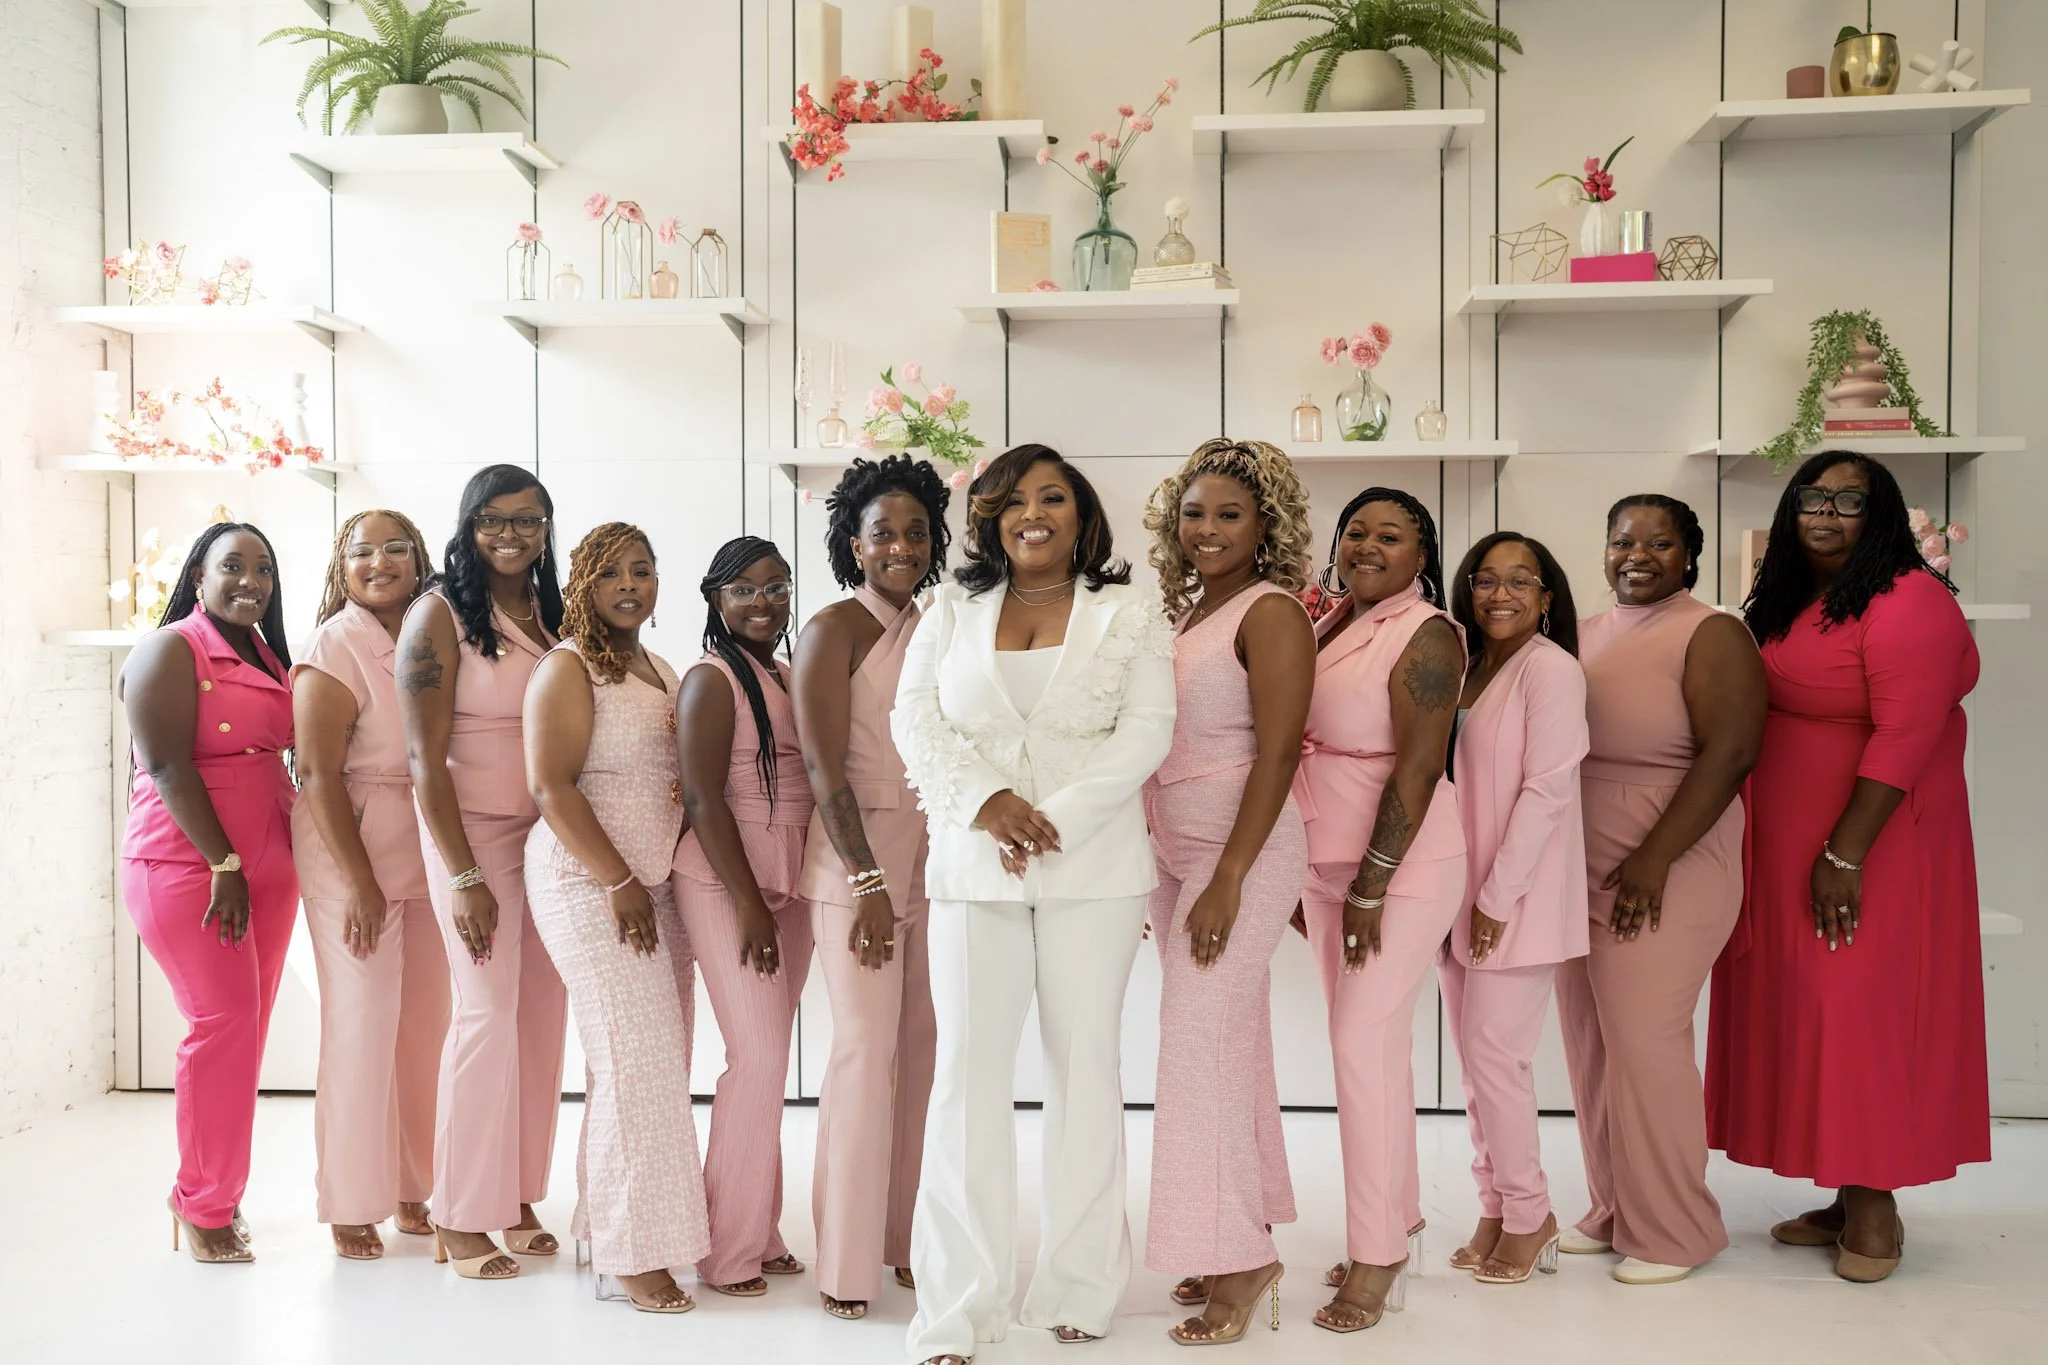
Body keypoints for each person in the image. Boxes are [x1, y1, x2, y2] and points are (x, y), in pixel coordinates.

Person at [894, 444, 1175, 1364]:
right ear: (990, 519)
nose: (1033, 514)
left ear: (1081, 513)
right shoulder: (948, 607)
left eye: (1053, 497)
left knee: (1084, 1072)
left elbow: (1148, 729)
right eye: (1014, 501)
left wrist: (1048, 820)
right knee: (964, 1080)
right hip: (973, 868)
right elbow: (914, 720)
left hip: (1093, 869)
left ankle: (1079, 1286)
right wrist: (988, 804)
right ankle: (956, 1306)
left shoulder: (1131, 610)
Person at [1709, 453, 1987, 1283]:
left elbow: (1906, 734)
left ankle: (1875, 1204)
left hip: (1872, 843)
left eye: (1849, 500)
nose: (1826, 511)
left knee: (1861, 1010)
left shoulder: (1910, 600)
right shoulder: (1796, 594)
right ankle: (1842, 1184)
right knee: (1812, 1009)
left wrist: (1844, 852)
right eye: (1813, 496)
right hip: (1793, 841)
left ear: (1882, 514)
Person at [1557, 494, 1764, 1285]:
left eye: (1659, 542)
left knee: (1645, 1041)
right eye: (1622, 541)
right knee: (1591, 1041)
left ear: (1691, 555)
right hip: (1577, 859)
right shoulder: (1583, 631)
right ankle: (1616, 1205)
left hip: (1668, 858)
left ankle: (1676, 1229)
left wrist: (1653, 857)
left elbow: (1732, 751)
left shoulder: (1712, 632)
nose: (1637, 555)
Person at [1139, 439, 1315, 1346]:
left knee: (1196, 1045)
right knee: (1226, 1044)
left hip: (1236, 857)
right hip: (1176, 853)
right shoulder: (1188, 609)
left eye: (1229, 515)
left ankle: (1241, 1259)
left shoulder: (1271, 610)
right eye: (1194, 513)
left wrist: (1231, 878)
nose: (1206, 529)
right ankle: (1231, 1230)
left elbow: (1280, 753)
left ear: (1265, 525)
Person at [1295, 487, 1465, 1332]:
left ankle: (1377, 1251)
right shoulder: (1330, 622)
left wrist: (1371, 882)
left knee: (1359, 1046)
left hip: (1400, 867)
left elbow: (1420, 766)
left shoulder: (1426, 632)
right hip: (1324, 863)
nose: (1367, 545)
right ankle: (1400, 1218)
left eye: (1390, 535)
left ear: (1421, 555)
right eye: (1355, 531)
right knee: (1376, 1051)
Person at [525, 523, 705, 1314]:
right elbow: (550, 785)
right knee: (637, 1062)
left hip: (652, 885)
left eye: (642, 570)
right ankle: (635, 1254)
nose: (629, 584)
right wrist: (618, 878)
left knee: (642, 1061)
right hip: (588, 881)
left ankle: (602, 1225)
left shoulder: (660, 669)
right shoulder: (567, 668)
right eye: (609, 574)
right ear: (581, 586)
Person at [397, 464, 567, 1281]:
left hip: (553, 837)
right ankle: (459, 1212)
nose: (510, 534)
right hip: (472, 837)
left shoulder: (552, 609)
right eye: (493, 520)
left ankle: (517, 1193)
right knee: (486, 1010)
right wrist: (463, 875)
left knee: (541, 1015)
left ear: (546, 528)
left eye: (527, 520)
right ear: (468, 527)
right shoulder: (437, 615)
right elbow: (422, 759)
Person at [791, 456, 950, 1320]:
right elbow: (822, 766)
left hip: (933, 853)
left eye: (916, 532)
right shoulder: (833, 628)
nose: (901, 546)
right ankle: (844, 1265)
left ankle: (905, 1240)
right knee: (862, 1051)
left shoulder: (939, 622)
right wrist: (867, 879)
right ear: (854, 543)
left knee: (920, 1051)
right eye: (883, 532)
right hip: (857, 862)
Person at [121, 522, 297, 1264]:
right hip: (192, 865)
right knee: (220, 1026)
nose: (250, 581)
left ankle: (216, 1187)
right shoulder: (170, 649)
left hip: (267, 862)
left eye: (263, 568)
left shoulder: (265, 652)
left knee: (245, 1031)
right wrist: (224, 862)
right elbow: (166, 765)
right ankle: (202, 1202)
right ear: (199, 574)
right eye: (232, 566)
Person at [292, 510, 446, 1260]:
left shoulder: (435, 629)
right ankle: (351, 1200)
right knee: (361, 1022)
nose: (379, 561)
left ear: (419, 559)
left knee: (425, 1025)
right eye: (362, 551)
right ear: (341, 565)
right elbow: (315, 771)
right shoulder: (335, 643)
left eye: (395, 548)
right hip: (349, 842)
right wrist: (358, 880)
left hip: (427, 839)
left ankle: (416, 1183)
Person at [1441, 532, 1588, 1284]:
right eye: (1485, 580)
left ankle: (1531, 1217)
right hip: (1454, 893)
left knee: (1497, 1058)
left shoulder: (1551, 669)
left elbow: (1547, 789)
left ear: (1546, 596)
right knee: (1475, 1064)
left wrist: (1497, 895)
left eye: (1519, 581)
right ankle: (1494, 1207)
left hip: (1516, 895)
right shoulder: (1465, 666)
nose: (1500, 594)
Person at [673, 535, 815, 1296]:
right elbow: (702, 798)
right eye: (745, 589)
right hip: (728, 881)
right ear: (715, 598)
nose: (764, 602)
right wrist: (750, 905)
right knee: (756, 1057)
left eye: (777, 587)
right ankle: (725, 1249)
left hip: (791, 874)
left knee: (771, 1058)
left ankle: (760, 1227)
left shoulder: (785, 674)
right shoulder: (710, 677)